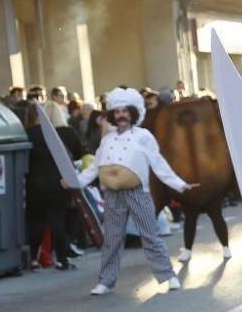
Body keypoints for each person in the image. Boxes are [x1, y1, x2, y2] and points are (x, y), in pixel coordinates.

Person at [76, 87, 199, 295]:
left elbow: (158, 163)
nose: (121, 115)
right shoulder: (107, 139)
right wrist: (75, 182)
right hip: (113, 195)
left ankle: (168, 276)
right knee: (112, 239)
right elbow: (96, 166)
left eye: (125, 111)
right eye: (117, 112)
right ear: (112, 115)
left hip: (137, 192)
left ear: (133, 113)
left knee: (150, 236)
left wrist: (179, 184)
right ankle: (106, 281)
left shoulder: (143, 136)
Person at [24, 101, 83, 270]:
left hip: (34, 182)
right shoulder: (68, 133)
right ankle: (61, 259)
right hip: (60, 182)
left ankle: (34, 260)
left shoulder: (31, 133)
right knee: (58, 219)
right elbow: (80, 154)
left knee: (36, 220)